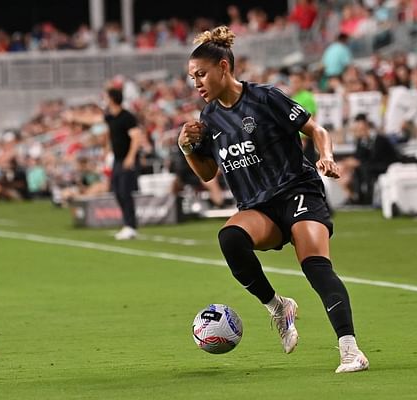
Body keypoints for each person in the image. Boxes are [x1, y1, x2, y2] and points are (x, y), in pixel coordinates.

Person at [178, 26, 369, 374]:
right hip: (257, 206)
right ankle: (277, 307)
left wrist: (326, 155)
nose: (197, 84)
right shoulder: (208, 119)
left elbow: (316, 130)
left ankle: (350, 350)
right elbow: (207, 174)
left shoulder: (264, 98)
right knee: (230, 238)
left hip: (298, 190)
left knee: (315, 266)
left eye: (201, 75)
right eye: (192, 78)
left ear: (224, 67)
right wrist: (187, 148)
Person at [104, 88, 143, 240]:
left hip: (127, 159)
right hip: (117, 159)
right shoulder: (110, 118)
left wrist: (131, 157)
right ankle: (127, 224)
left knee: (125, 192)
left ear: (112, 99)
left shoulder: (127, 117)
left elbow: (136, 137)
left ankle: (131, 226)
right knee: (117, 191)